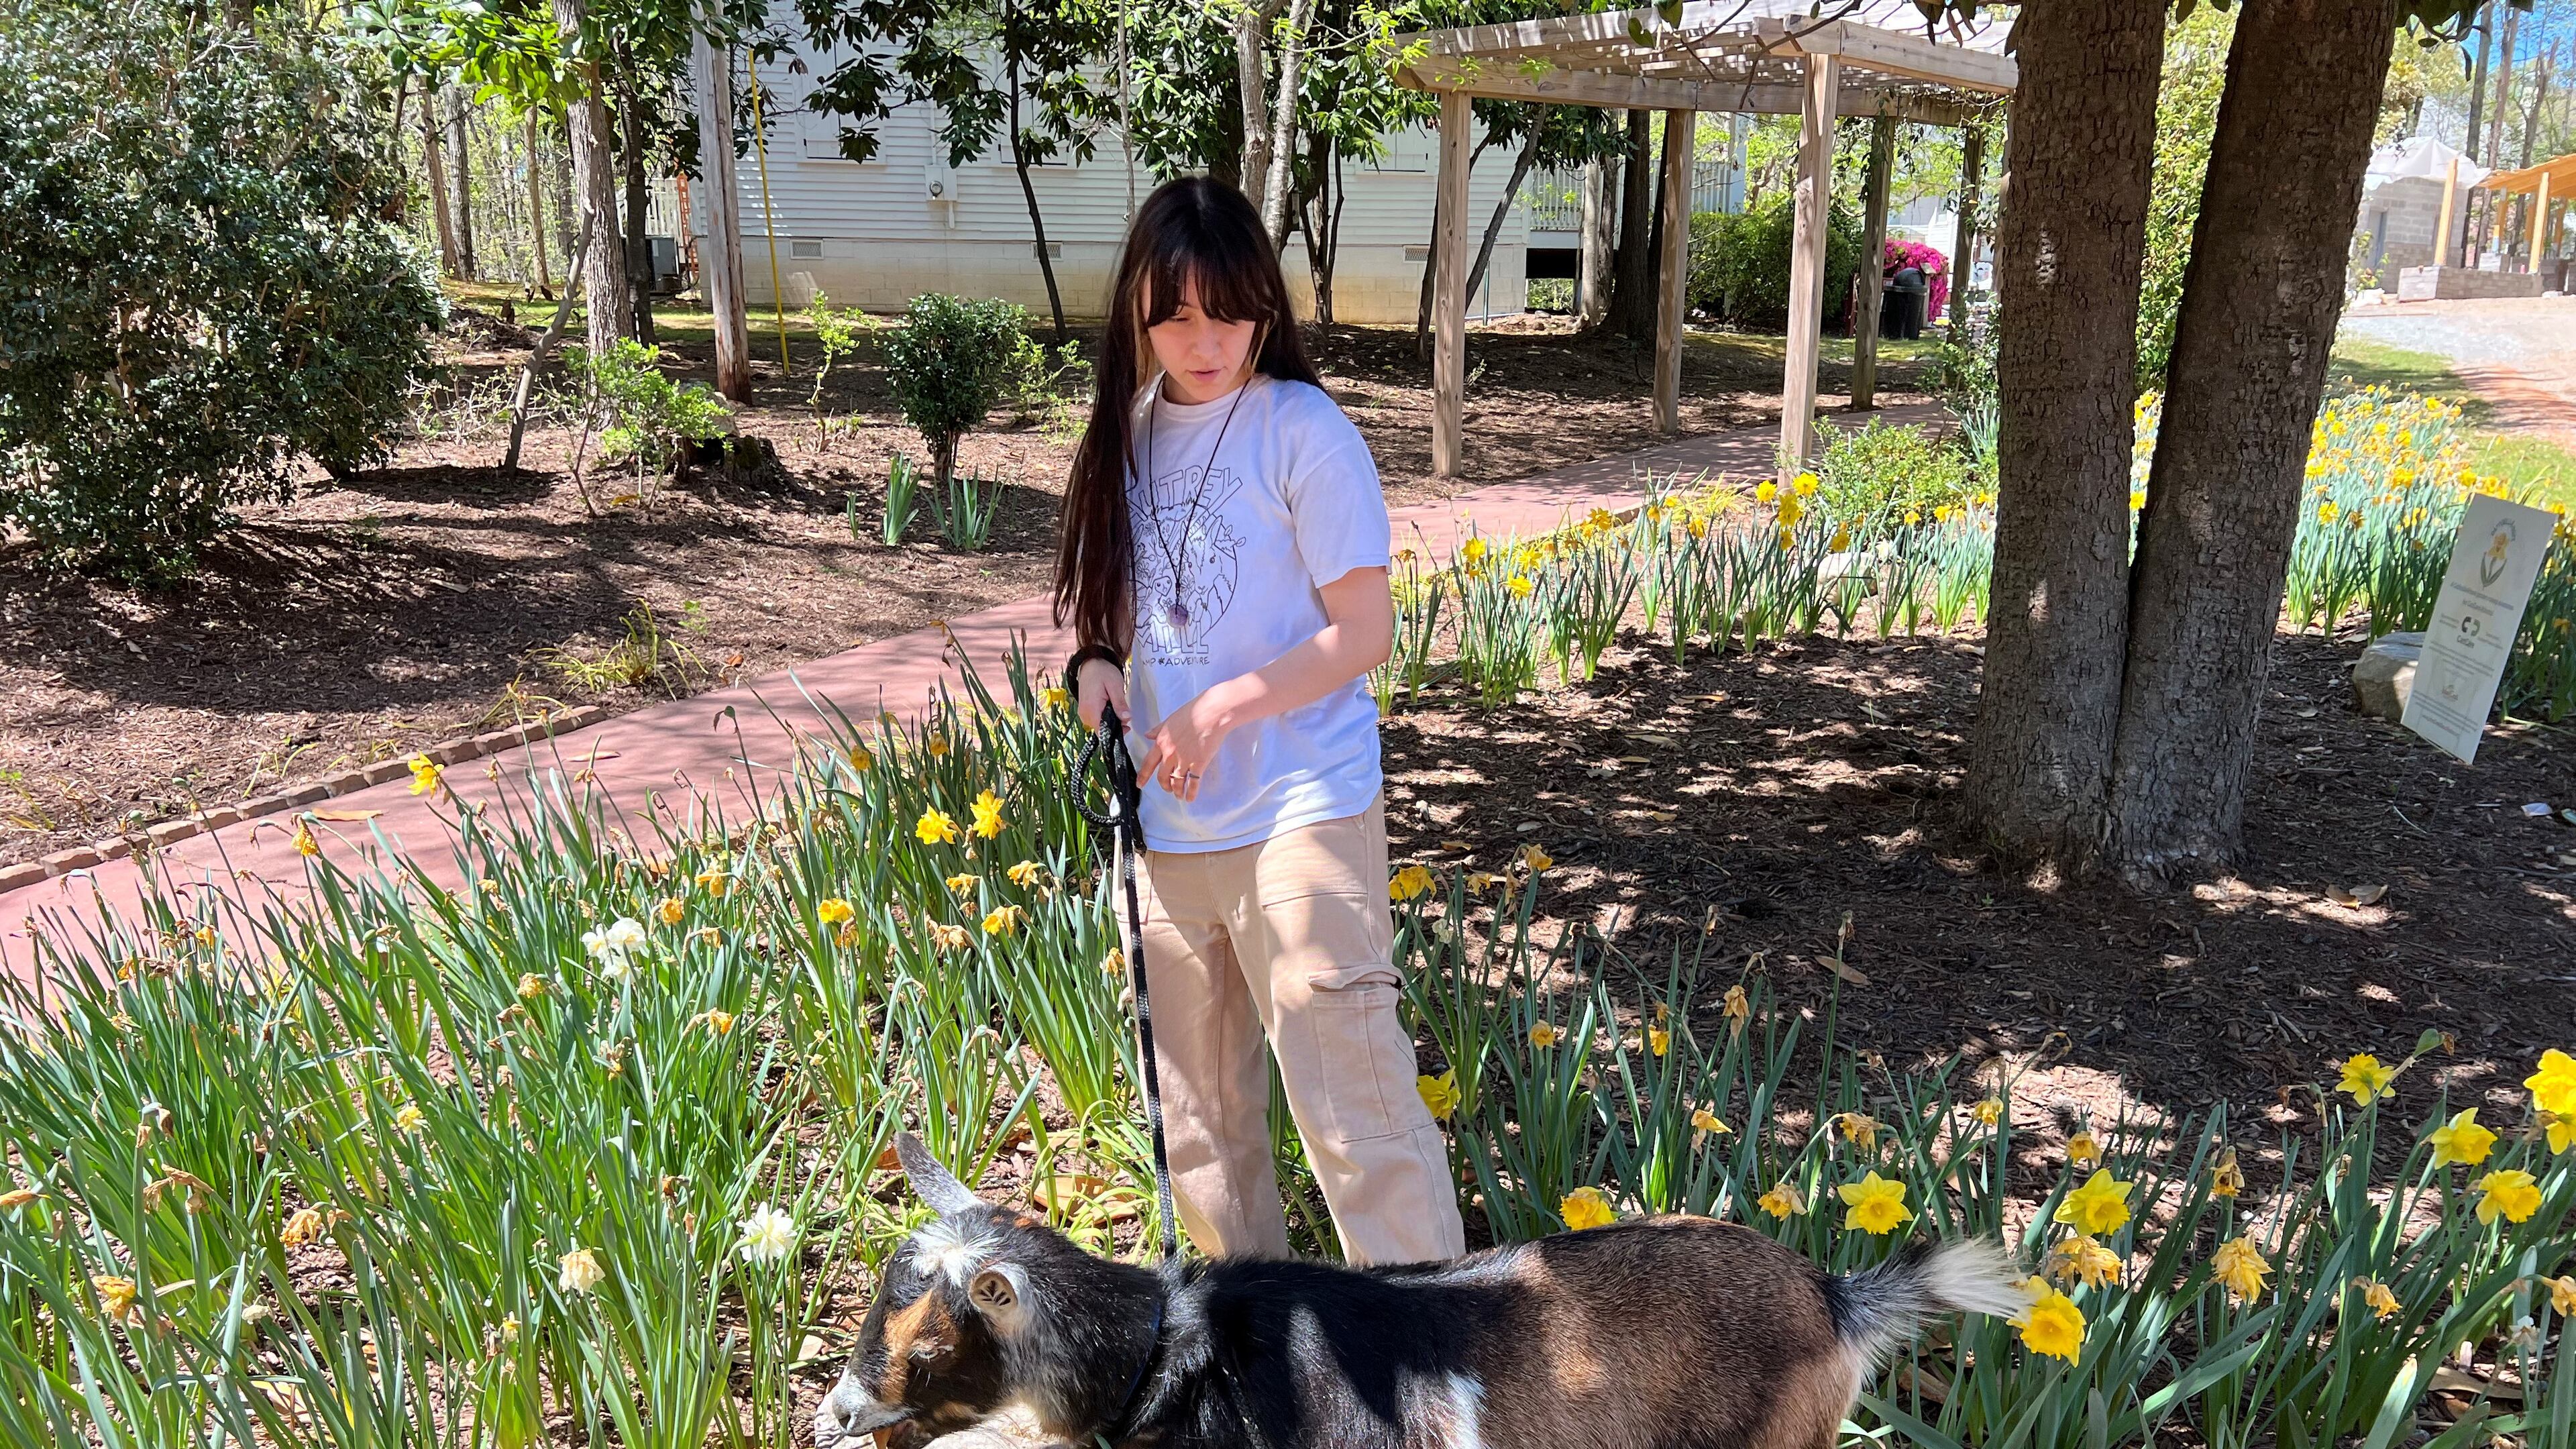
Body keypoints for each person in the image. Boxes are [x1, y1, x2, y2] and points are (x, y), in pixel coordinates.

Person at [1055, 176, 1465, 1268]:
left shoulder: (1302, 430)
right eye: (1177, 317)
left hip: (1302, 804)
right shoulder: (1129, 434)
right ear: (1138, 312)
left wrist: (1226, 705)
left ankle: (1438, 1350)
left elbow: (1365, 630)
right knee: (1200, 1130)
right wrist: (1097, 666)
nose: (1206, 343)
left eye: (1229, 314)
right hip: (1171, 825)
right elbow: (1117, 613)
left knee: (1353, 1106)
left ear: (1265, 309)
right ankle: (1256, 1352)